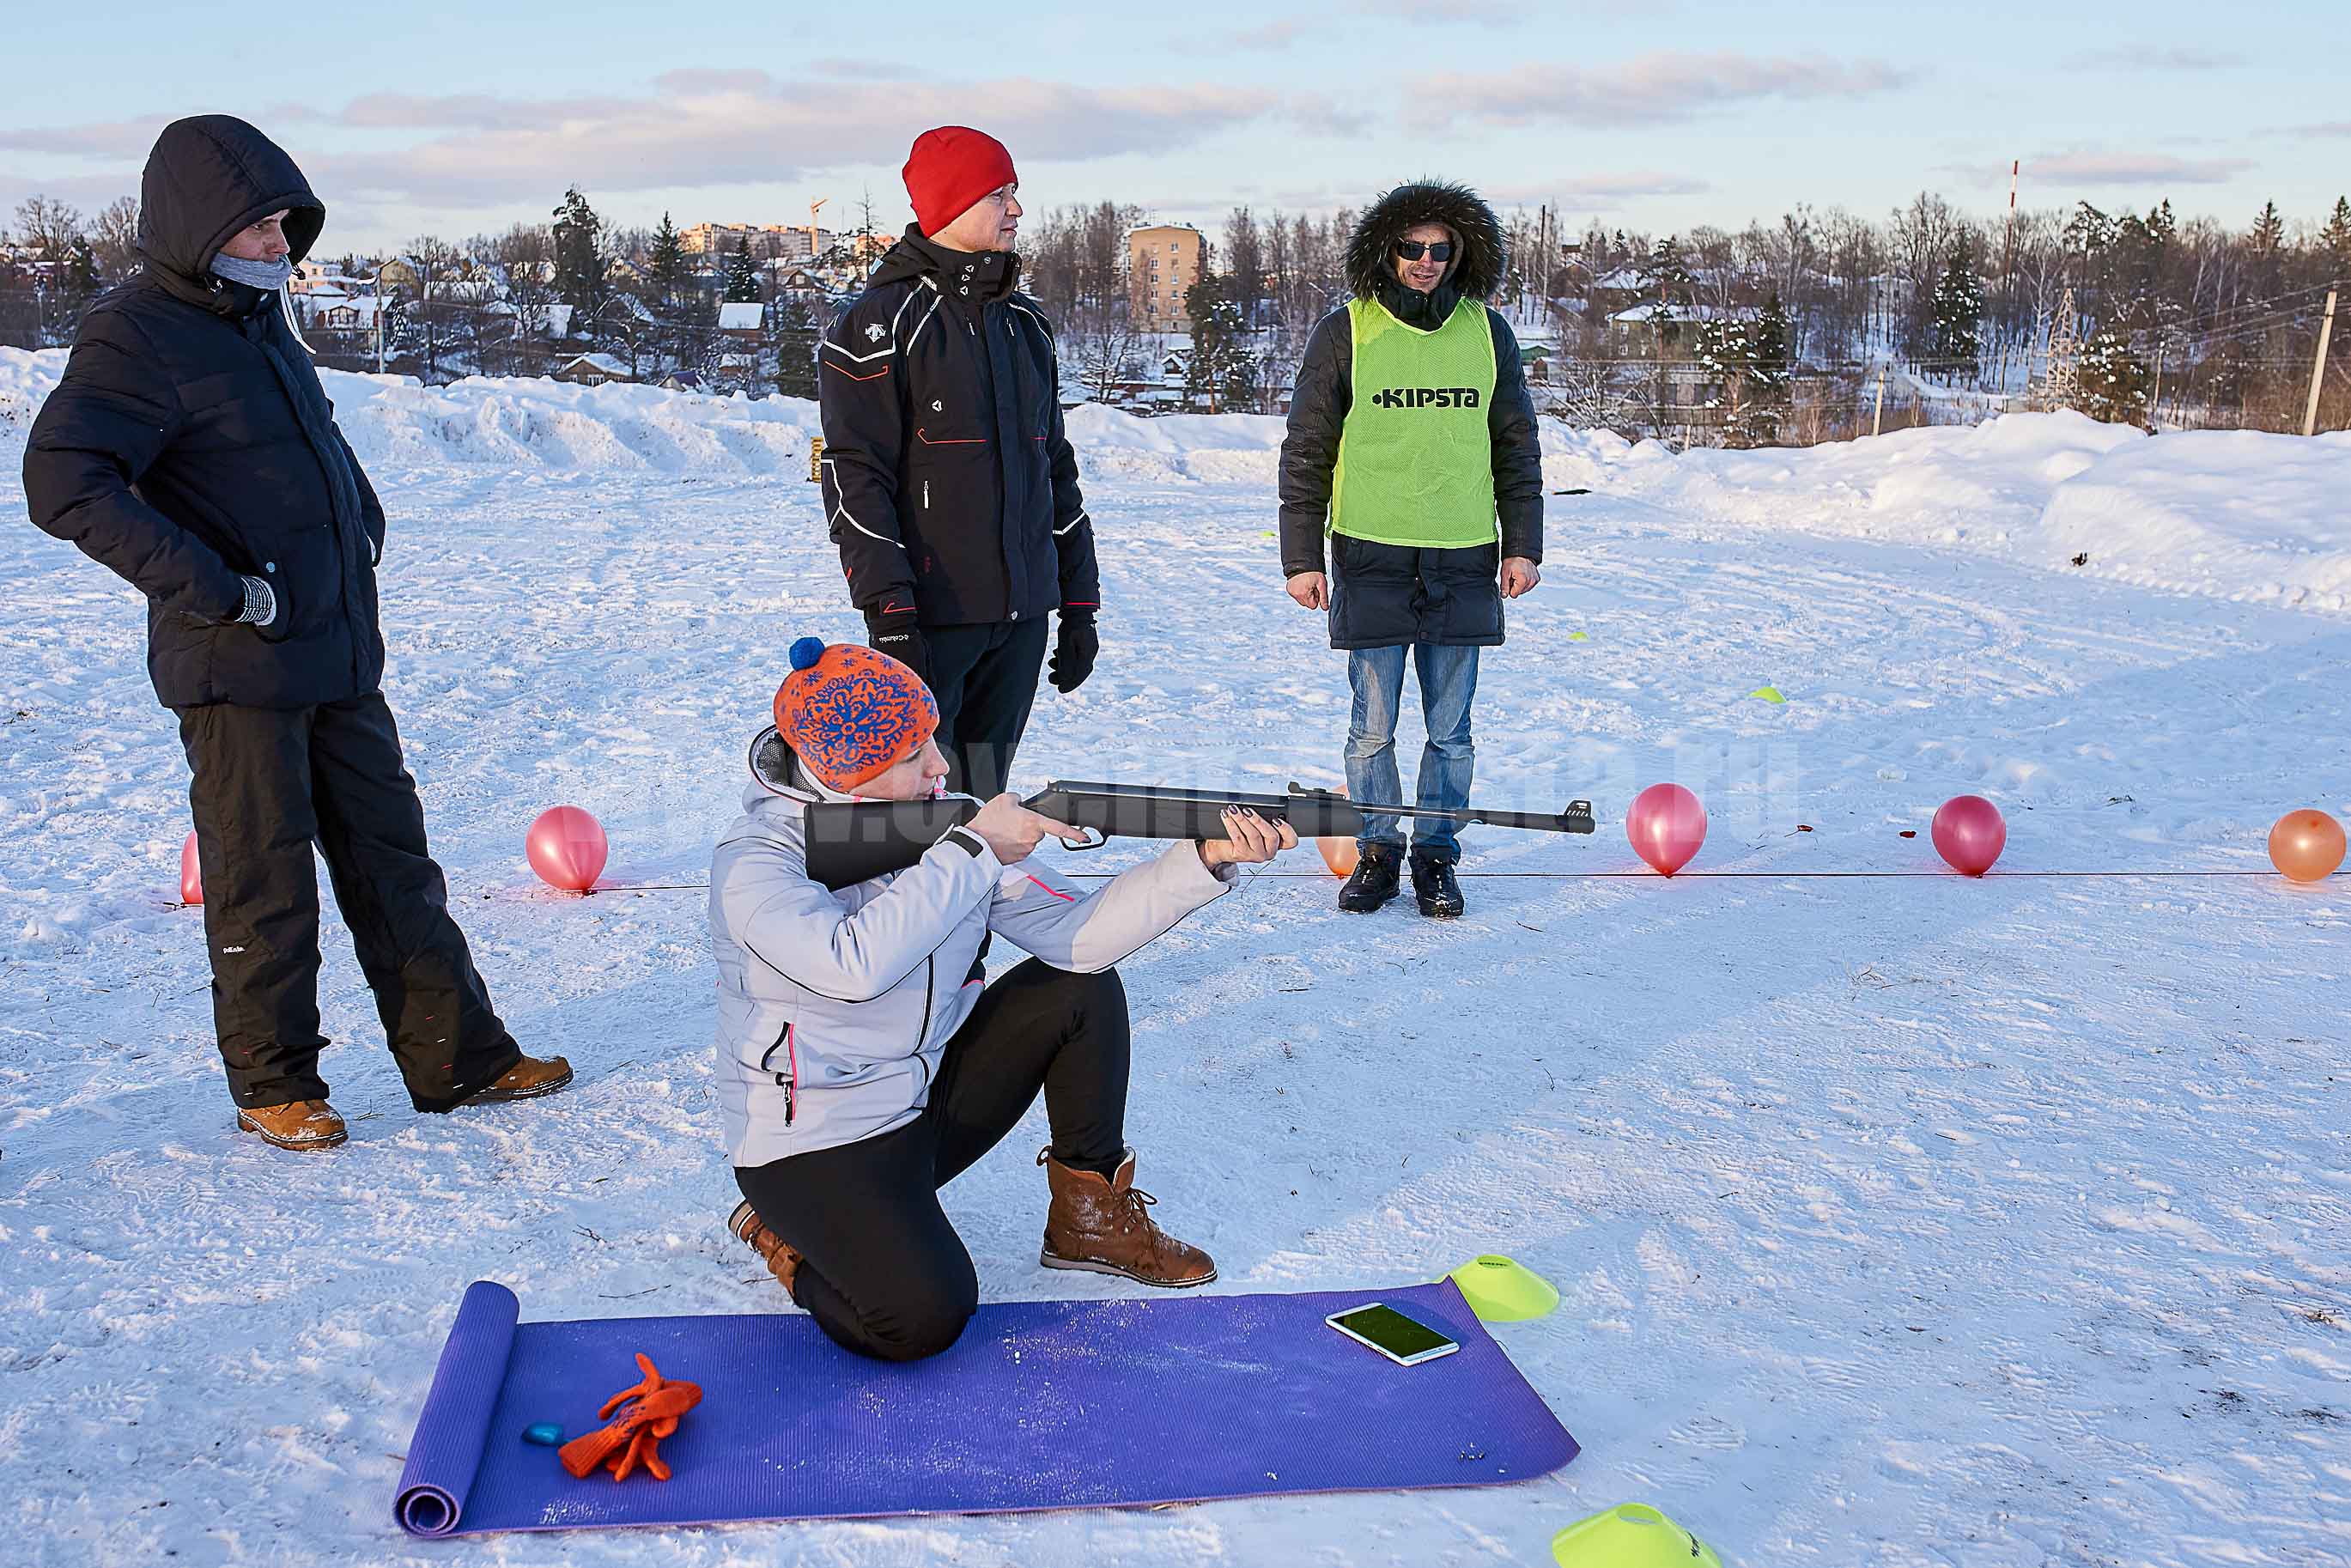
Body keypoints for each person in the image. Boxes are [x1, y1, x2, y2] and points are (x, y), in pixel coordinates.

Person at [21, 116, 568, 1151]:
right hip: (234, 662)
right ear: (198, 226)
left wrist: (358, 512)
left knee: (392, 861)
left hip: (333, 646)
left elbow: (309, 437)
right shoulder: (135, 331)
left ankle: (463, 1060)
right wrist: (212, 585)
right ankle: (275, 1082)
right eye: (262, 226)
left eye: (283, 223)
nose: (283, 243)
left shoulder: (256, 315)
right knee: (262, 878)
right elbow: (62, 480)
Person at [711, 638, 1295, 1362]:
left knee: (1077, 990)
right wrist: (975, 850)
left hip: (922, 1104)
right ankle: (792, 1245)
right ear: (849, 777)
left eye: (932, 740)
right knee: (922, 1319)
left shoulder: (948, 823)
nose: (942, 766)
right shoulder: (756, 863)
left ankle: (1089, 1221)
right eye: (912, 756)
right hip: (813, 1146)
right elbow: (851, 965)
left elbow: (1076, 937)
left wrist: (1203, 860)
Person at [1278, 180, 1544, 920]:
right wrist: (1301, 556)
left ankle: (1436, 856)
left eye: (1441, 248)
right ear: (1385, 250)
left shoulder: (1487, 332)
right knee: (1373, 728)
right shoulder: (1346, 331)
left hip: (1463, 556)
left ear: (1461, 252)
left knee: (1451, 730)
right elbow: (1307, 449)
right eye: (1412, 247)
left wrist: (1522, 544)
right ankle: (1377, 852)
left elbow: (1516, 446)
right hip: (1370, 556)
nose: (1427, 261)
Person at [817, 125, 1099, 804]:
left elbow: (1055, 471)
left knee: (983, 803)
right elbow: (857, 479)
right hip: (930, 623)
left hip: (1022, 621)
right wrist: (890, 614)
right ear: (950, 205)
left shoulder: (1025, 324)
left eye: (1014, 193)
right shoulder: (876, 324)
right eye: (999, 193)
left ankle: (971, 911)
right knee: (909, 813)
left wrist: (1079, 605)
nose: (1016, 209)